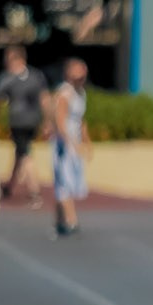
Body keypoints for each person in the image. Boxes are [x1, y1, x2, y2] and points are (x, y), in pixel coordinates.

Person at [0, 45, 51, 207]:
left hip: (18, 122)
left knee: (25, 154)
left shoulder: (6, 78)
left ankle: (35, 192)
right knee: (20, 151)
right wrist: (47, 121)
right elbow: (45, 99)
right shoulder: (36, 76)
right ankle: (10, 186)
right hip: (33, 121)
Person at [49, 59, 92, 238]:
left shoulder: (80, 94)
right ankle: (71, 220)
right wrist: (70, 143)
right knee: (64, 181)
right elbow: (60, 121)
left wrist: (87, 141)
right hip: (63, 144)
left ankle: (59, 220)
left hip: (74, 143)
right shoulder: (64, 94)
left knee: (69, 182)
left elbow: (81, 121)